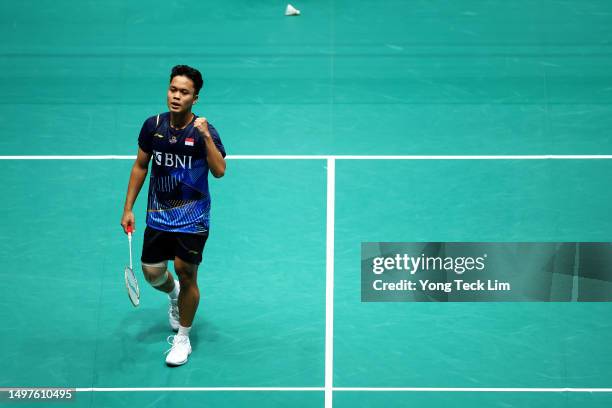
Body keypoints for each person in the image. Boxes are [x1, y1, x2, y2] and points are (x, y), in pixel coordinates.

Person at [120, 65, 226, 366]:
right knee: (153, 274)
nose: (176, 96)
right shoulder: (153, 126)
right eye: (173, 89)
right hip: (158, 214)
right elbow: (141, 166)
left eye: (184, 92)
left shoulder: (205, 131)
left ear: (196, 98)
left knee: (186, 270)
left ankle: (182, 338)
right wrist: (128, 207)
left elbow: (219, 171)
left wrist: (205, 137)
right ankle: (174, 294)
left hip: (193, 217)